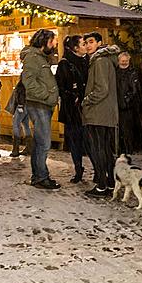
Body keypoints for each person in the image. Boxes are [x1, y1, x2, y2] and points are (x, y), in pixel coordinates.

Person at [81, 32, 120, 197]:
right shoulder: (103, 60)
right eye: (86, 42)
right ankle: (110, 183)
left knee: (99, 149)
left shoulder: (100, 61)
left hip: (98, 112)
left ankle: (102, 185)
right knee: (104, 149)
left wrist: (86, 100)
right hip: (105, 112)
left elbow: (102, 89)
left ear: (99, 43)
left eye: (91, 42)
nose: (88, 45)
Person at [21, 29, 61, 190]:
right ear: (44, 42)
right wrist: (47, 95)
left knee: (39, 142)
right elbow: (28, 82)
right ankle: (41, 177)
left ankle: (38, 176)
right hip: (39, 104)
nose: (54, 44)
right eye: (52, 41)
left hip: (42, 104)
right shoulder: (33, 58)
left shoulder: (41, 57)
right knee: (44, 143)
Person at [55, 35, 90, 183]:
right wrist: (73, 95)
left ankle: (96, 171)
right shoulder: (65, 64)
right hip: (73, 109)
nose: (86, 46)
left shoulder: (87, 60)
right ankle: (78, 169)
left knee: (88, 140)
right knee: (76, 140)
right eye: (83, 44)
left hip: (86, 107)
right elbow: (61, 87)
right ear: (75, 48)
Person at [116, 51, 142, 154]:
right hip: (118, 104)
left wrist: (127, 99)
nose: (124, 62)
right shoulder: (116, 72)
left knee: (128, 129)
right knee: (120, 128)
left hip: (129, 105)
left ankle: (128, 148)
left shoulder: (133, 72)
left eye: (126, 61)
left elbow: (135, 89)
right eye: (122, 61)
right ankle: (121, 148)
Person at [6, 80, 31, 157]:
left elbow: (21, 91)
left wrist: (20, 104)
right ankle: (29, 147)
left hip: (22, 105)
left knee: (16, 125)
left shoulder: (24, 77)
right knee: (26, 125)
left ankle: (15, 149)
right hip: (28, 105)